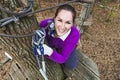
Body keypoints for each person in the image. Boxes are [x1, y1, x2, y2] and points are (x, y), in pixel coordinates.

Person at [39, 4, 80, 69]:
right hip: (51, 44)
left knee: (71, 65)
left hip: (65, 45)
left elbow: (62, 59)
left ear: (72, 24)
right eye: (59, 20)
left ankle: (65, 50)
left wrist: (49, 51)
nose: (62, 26)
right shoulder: (45, 25)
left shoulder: (74, 35)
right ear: (54, 19)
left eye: (68, 22)